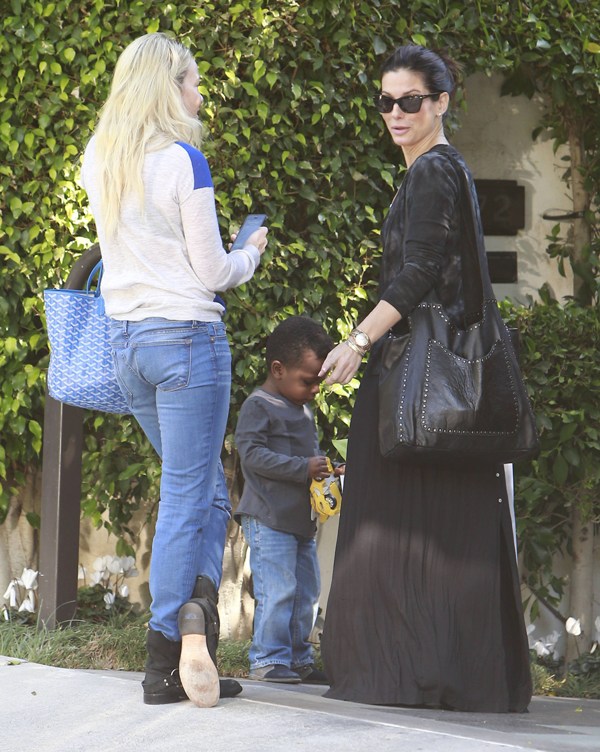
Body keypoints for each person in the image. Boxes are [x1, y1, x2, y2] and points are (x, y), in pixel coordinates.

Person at [318, 44, 532, 712]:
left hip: (421, 381)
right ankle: (445, 674)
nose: (395, 113)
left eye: (409, 100)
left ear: (441, 102)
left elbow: (420, 272)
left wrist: (358, 341)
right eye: (386, 101)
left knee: (397, 523)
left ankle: (408, 673)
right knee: (442, 526)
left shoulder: (434, 171)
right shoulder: (440, 169)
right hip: (440, 383)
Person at [80, 32, 268, 708]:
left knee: (207, 490)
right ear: (169, 86)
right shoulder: (184, 161)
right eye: (191, 80)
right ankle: (164, 657)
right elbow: (212, 271)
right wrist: (251, 253)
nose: (199, 91)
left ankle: (198, 630)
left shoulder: (100, 158)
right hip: (187, 339)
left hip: (127, 344)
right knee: (191, 494)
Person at [234, 316, 339, 685]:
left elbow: (307, 457)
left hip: (300, 520)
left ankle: (298, 659)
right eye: (307, 381)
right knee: (278, 590)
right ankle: (268, 659)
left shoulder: (303, 409)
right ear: (278, 369)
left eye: (318, 381)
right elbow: (252, 455)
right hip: (269, 518)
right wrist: (303, 467)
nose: (314, 389)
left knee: (305, 592)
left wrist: (327, 467)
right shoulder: (259, 406)